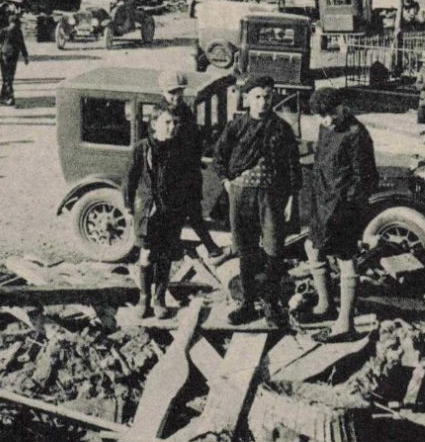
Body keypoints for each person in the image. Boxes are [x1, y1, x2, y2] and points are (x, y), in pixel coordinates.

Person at [212, 75, 300, 327]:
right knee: (246, 250)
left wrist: (290, 199)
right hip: (241, 196)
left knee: (273, 249)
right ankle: (248, 303)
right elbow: (220, 156)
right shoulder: (237, 126)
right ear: (247, 98)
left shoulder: (281, 129)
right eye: (257, 97)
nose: (262, 102)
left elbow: (293, 166)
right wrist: (227, 183)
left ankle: (271, 303)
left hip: (272, 196)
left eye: (267, 97)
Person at [299, 87, 377, 341]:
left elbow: (364, 178)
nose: (328, 120)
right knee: (313, 248)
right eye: (322, 116)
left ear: (342, 106)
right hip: (323, 202)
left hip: (344, 208)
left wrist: (348, 207)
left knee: (346, 258)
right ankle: (325, 305)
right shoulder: (326, 127)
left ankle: (345, 324)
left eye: (332, 114)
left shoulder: (356, 134)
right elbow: (321, 162)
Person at [123, 110, 197, 319]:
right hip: (147, 211)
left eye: (176, 122)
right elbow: (129, 180)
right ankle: (144, 298)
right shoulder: (141, 148)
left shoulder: (181, 151)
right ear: (154, 123)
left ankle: (160, 299)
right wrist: (129, 208)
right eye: (167, 122)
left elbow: (188, 182)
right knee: (146, 256)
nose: (172, 127)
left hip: (171, 213)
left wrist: (183, 208)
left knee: (165, 256)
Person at [157, 70, 222, 258]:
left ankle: (206, 247)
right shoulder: (161, 114)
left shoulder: (185, 111)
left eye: (180, 92)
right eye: (172, 93)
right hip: (171, 176)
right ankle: (202, 247)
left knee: (193, 212)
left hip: (189, 173)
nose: (177, 96)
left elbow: (192, 137)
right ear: (163, 92)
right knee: (177, 216)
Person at [0, 12, 30, 107]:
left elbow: (22, 44)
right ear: (10, 23)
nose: (16, 25)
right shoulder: (3, 31)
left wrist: (25, 56)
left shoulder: (18, 32)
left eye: (17, 24)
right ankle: (11, 98)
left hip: (13, 58)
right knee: (8, 78)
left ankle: (3, 97)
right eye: (15, 23)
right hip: (5, 58)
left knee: (8, 78)